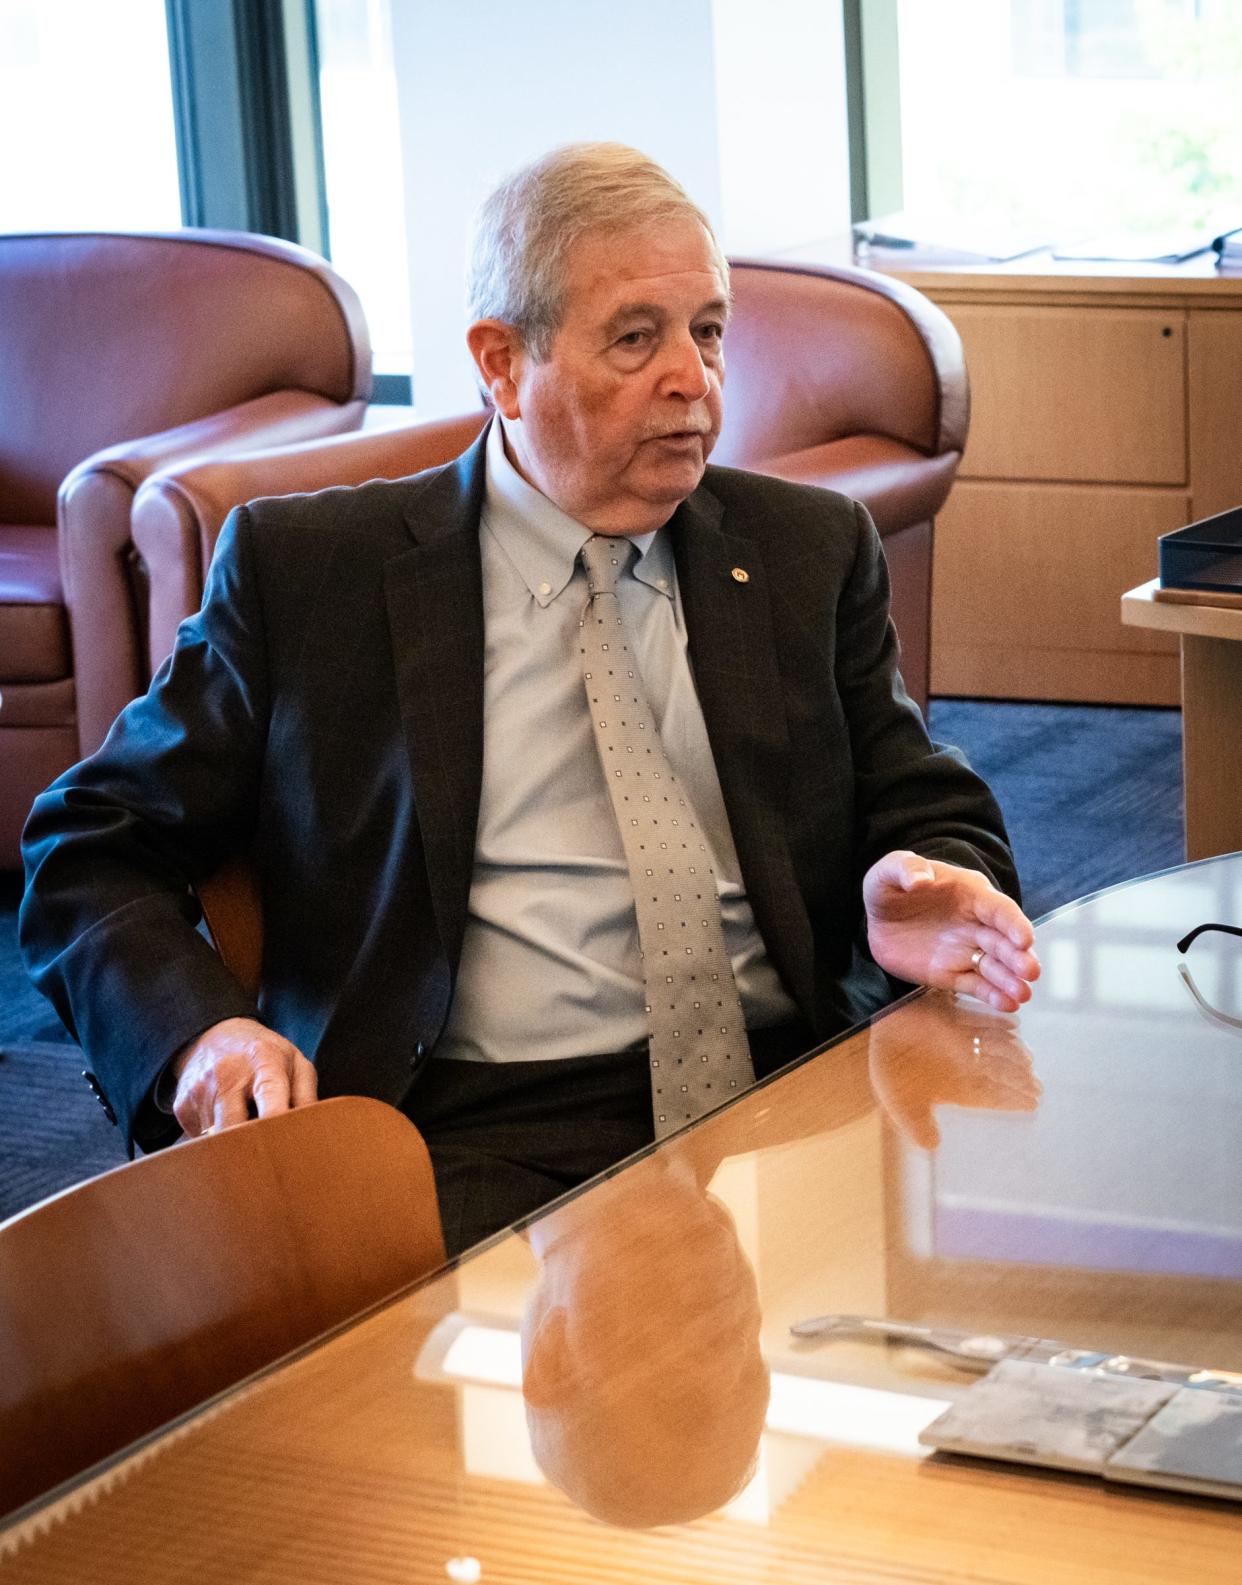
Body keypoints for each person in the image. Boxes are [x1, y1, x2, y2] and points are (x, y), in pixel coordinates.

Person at [20, 143, 1038, 1255]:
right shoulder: (315, 573)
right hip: (465, 1129)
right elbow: (91, 845)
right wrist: (200, 1037)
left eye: (707, 331)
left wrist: (925, 872)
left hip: (781, 1085)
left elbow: (929, 807)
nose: (694, 380)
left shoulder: (802, 548)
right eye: (637, 338)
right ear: (501, 365)